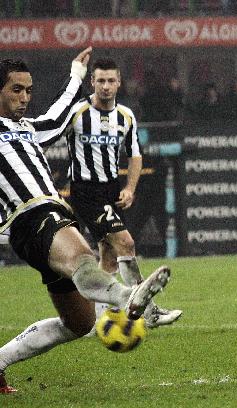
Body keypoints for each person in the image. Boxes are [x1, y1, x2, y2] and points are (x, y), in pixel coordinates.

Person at [0, 48, 172, 394]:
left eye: (29, 90)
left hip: (48, 217)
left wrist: (77, 76)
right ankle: (129, 297)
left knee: (79, 323)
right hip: (30, 214)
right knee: (84, 258)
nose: (24, 97)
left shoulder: (29, 129)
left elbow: (60, 117)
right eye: (16, 89)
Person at [42, 57, 182, 329]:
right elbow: (49, 135)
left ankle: (97, 320)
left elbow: (135, 155)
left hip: (111, 190)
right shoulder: (77, 113)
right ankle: (149, 311)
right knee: (126, 243)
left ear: (119, 83)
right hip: (84, 191)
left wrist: (130, 187)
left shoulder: (126, 117)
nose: (106, 86)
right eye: (100, 81)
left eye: (111, 81)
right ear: (92, 82)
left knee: (107, 255)